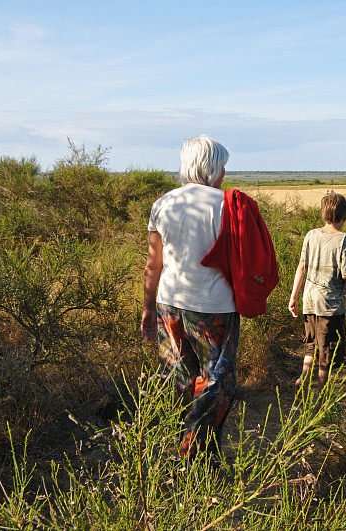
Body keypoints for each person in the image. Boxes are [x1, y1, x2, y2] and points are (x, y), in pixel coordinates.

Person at [140, 134, 238, 459]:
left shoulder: (164, 203)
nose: (224, 173)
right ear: (212, 168)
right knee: (216, 384)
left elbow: (153, 265)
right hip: (214, 307)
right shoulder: (227, 205)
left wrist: (147, 309)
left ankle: (172, 447)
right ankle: (195, 458)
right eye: (222, 166)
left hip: (169, 304)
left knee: (179, 377)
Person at [288, 192, 346, 387]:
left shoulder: (311, 234)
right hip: (329, 305)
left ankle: (304, 378)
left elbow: (301, 267)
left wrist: (294, 297)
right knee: (328, 353)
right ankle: (323, 394)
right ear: (344, 216)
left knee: (311, 346)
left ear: (324, 214)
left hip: (309, 301)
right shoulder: (344, 239)